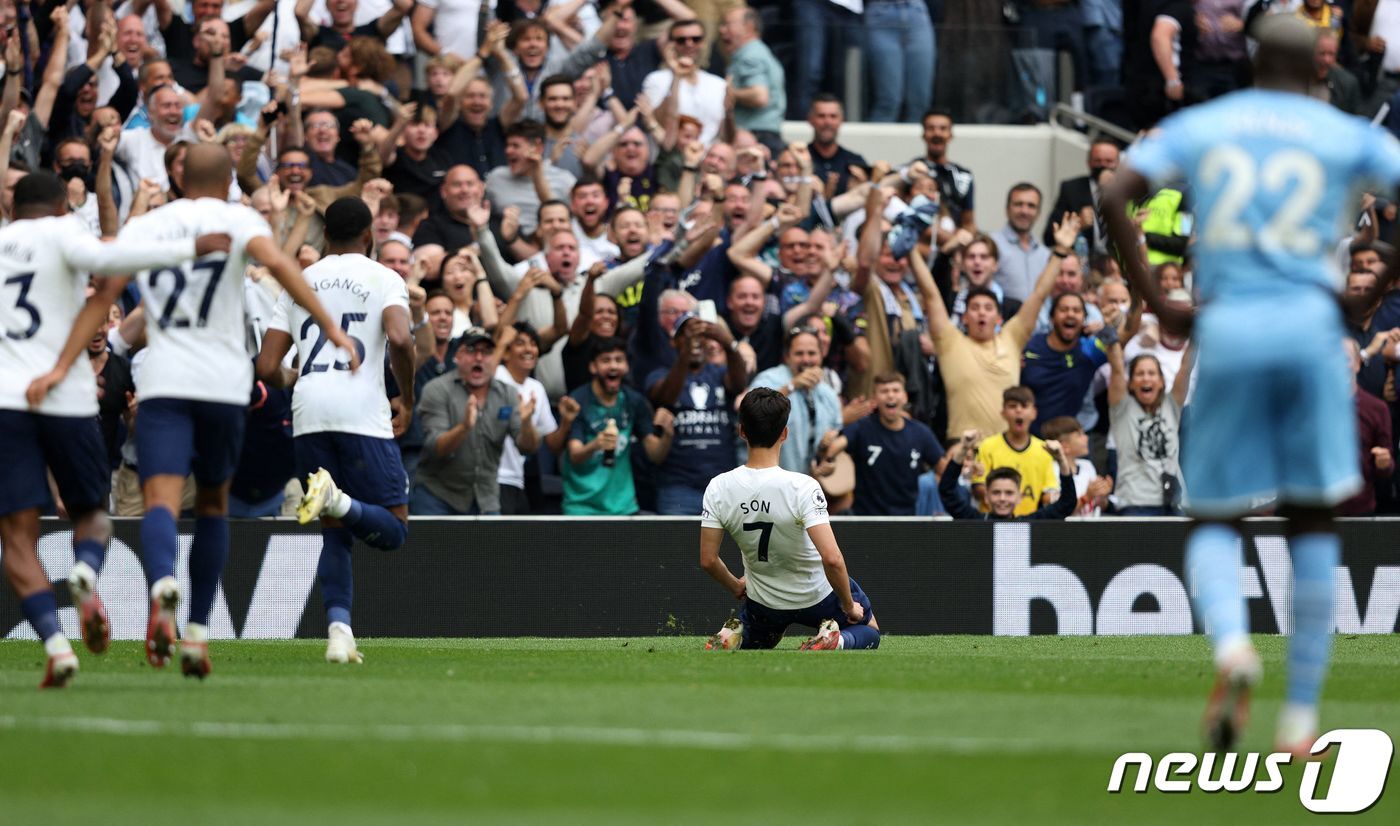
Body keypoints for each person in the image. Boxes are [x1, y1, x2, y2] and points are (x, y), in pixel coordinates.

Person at [1101, 15, 1400, 754]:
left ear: (1253, 61)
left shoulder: (1207, 121)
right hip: (1309, 329)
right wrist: (1370, 290)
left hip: (1229, 325)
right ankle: (1301, 713)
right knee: (1311, 518)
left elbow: (1114, 192)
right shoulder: (1346, 132)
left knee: (1213, 515)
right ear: (1318, 73)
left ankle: (1233, 646)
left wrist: (1159, 299)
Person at [115, 144, 356, 679]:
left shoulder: (151, 224)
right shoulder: (238, 217)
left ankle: (161, 584)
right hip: (223, 384)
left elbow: (108, 285)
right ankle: (198, 634)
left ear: (178, 177)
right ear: (229, 179)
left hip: (163, 379)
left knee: (160, 497)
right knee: (214, 506)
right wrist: (330, 326)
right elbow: (280, 264)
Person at [1, 172, 230, 687]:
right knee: (94, 515)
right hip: (65, 397)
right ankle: (85, 567)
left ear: (14, 206)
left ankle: (57, 648)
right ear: (62, 206)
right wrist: (194, 246)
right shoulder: (63, 233)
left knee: (16, 537)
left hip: (5, 401)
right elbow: (114, 263)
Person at [255, 198, 416, 665]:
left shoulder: (299, 282)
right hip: (362, 412)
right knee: (395, 530)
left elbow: (267, 366)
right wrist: (404, 394)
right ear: (370, 237)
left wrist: (297, 377)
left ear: (324, 236)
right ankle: (339, 500)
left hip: (309, 412)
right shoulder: (384, 277)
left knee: (334, 533)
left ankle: (339, 633)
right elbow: (402, 339)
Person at [699, 386, 880, 651]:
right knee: (869, 631)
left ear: (742, 432)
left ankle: (736, 635)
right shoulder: (802, 486)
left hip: (765, 602)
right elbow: (832, 558)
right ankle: (836, 640)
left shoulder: (718, 486)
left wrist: (736, 586)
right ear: (784, 433)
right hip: (816, 597)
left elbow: (708, 560)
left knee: (762, 635)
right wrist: (848, 605)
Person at [416, 327, 540, 514]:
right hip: (438, 497)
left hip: (486, 498)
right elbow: (435, 448)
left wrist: (527, 423)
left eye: (487, 352)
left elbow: (528, 447)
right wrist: (464, 428)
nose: (479, 358)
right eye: (472, 351)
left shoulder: (508, 394)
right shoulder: (436, 390)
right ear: (457, 356)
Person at [646, 313, 746, 515]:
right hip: (678, 487)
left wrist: (728, 343)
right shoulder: (659, 374)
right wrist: (685, 353)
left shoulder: (719, 372)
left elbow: (739, 384)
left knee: (727, 547)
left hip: (723, 485)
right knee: (678, 546)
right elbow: (665, 397)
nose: (695, 341)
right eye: (687, 334)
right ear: (675, 342)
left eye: (701, 335)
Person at [562, 336, 675, 515]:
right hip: (582, 507)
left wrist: (667, 433)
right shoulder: (578, 400)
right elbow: (575, 455)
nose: (613, 366)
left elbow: (655, 455)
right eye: (606, 360)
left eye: (619, 360)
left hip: (624, 508)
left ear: (626, 366)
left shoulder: (634, 401)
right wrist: (596, 444)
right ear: (593, 367)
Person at [840, 373, 946, 516]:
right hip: (866, 520)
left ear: (905, 396)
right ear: (875, 399)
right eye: (884, 391)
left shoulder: (921, 433)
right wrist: (826, 452)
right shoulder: (862, 427)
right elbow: (833, 448)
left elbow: (945, 471)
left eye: (895, 390)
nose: (890, 396)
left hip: (908, 520)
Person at [938, 433, 1076, 521]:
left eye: (1009, 493)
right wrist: (963, 448)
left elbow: (1067, 504)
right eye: (996, 492)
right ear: (986, 496)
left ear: (1019, 497)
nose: (1002, 498)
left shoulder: (1030, 524)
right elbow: (947, 491)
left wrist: (1061, 460)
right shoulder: (974, 521)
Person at [969, 387, 1061, 516]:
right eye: (1012, 406)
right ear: (1003, 413)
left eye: (1024, 406)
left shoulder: (1044, 449)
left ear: (1034, 413)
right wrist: (1005, 501)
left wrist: (1055, 499)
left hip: (1029, 522)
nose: (1018, 410)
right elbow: (978, 486)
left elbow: (1048, 492)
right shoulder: (987, 446)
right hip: (992, 522)